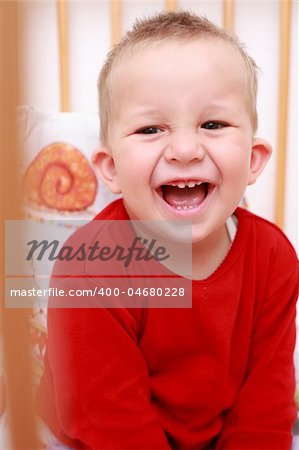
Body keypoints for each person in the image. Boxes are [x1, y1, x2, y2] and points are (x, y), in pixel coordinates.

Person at [37, 11, 298, 449]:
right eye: (150, 128)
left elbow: (265, 403)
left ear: (253, 159)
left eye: (212, 124)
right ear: (111, 169)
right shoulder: (89, 269)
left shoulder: (274, 258)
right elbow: (105, 417)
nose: (184, 149)